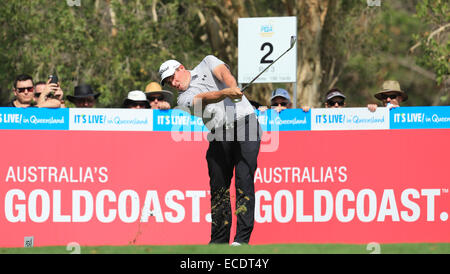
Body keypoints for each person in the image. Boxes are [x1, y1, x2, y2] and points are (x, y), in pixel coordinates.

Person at [159, 56, 261, 246]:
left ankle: (241, 240)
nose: (173, 83)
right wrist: (225, 93)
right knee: (219, 188)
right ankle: (218, 242)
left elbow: (223, 72)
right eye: (169, 82)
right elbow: (202, 99)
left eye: (173, 77)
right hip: (219, 133)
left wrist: (233, 87)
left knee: (243, 180)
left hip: (246, 125)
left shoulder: (207, 61)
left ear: (181, 68)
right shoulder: (183, 99)